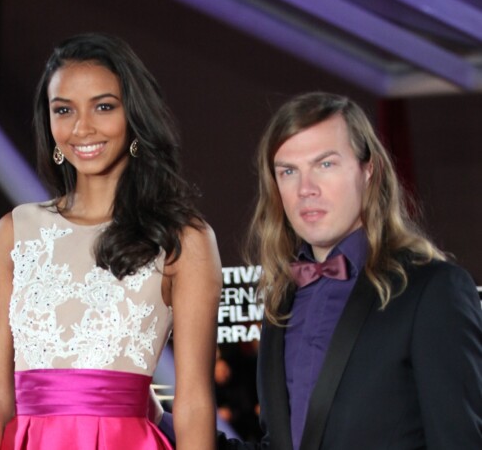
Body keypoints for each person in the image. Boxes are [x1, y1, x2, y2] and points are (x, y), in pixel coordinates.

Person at [159, 91, 482, 448]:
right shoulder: (282, 303)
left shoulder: (434, 291)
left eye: (325, 164)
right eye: (288, 171)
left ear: (368, 169)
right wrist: (161, 423)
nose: (306, 189)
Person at [0, 33, 222, 449]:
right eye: (64, 109)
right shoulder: (15, 231)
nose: (82, 128)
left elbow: (193, 403)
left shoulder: (184, 239)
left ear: (134, 114)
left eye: (103, 106)